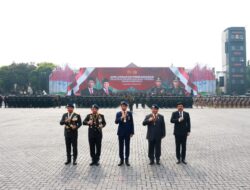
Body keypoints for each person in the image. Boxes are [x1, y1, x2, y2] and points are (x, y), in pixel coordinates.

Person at [115, 101, 134, 166]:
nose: (124, 107)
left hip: (128, 133)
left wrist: (132, 132)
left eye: (125, 106)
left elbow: (132, 123)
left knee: (127, 146)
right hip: (120, 132)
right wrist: (121, 117)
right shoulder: (118, 113)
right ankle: (121, 159)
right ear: (121, 106)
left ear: (127, 107)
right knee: (121, 146)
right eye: (122, 106)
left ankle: (127, 159)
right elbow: (116, 122)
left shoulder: (129, 113)